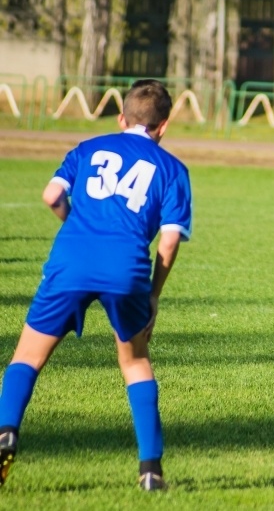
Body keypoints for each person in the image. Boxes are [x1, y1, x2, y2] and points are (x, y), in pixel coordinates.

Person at [0, 80, 192, 491]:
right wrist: (153, 294)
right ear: (164, 125)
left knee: (27, 357)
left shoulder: (86, 148)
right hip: (127, 269)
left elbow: (51, 195)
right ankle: (150, 472)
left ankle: (6, 433)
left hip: (70, 260)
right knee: (135, 361)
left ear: (121, 118)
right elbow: (171, 239)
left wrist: (74, 224)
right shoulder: (173, 169)